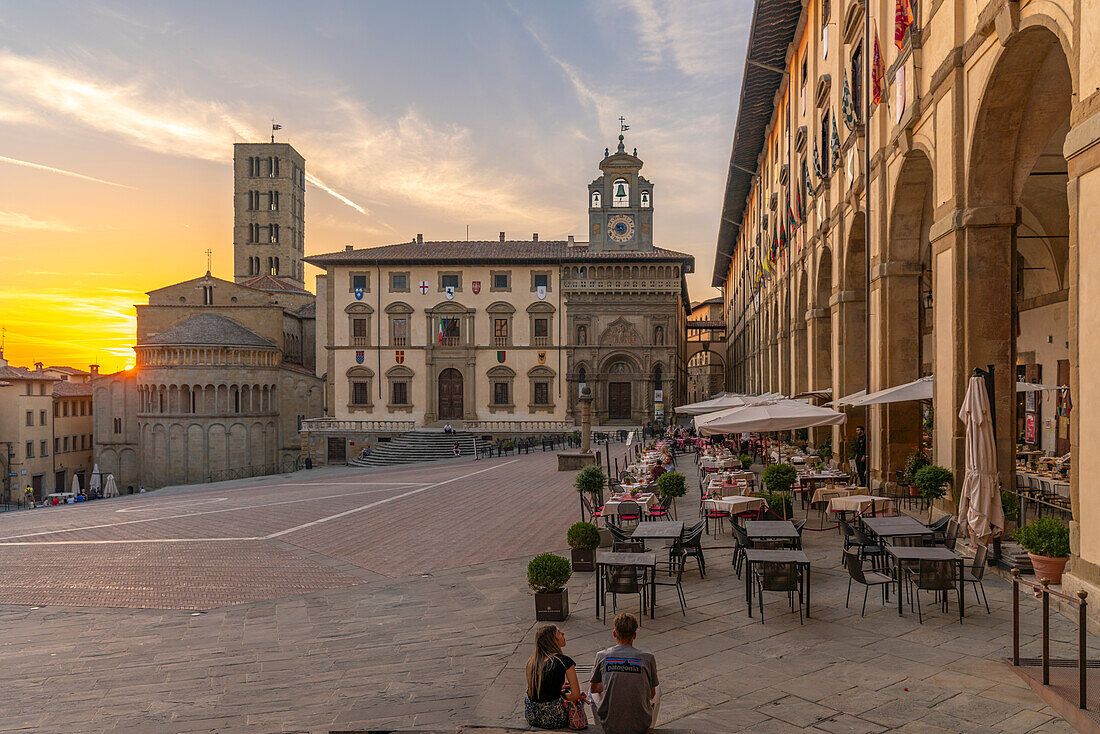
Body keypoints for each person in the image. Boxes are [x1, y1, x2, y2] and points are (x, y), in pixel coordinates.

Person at [590, 612, 659, 734]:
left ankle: (600, 727)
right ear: (635, 635)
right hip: (640, 725)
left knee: (591, 693)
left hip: (609, 724)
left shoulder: (601, 656)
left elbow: (594, 688)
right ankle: (650, 728)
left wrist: (608, 681)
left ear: (614, 634)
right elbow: (652, 694)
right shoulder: (648, 658)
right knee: (658, 689)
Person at [523, 624, 584, 729]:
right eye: (559, 632)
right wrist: (563, 695)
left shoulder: (532, 661)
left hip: (531, 715)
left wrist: (557, 690)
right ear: (552, 640)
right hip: (554, 718)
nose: (563, 634)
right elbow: (576, 694)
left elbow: (538, 690)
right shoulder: (564, 661)